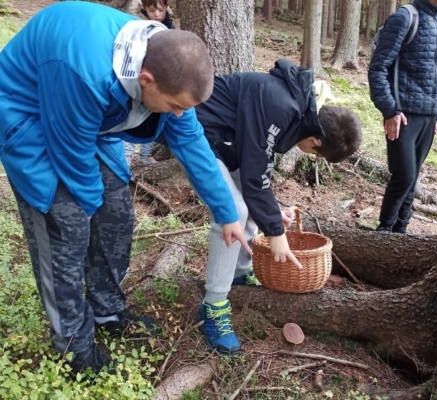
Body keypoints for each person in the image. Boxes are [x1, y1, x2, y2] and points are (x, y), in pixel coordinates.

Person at [0, 1, 250, 375]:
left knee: (116, 213)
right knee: (65, 228)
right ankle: (74, 348)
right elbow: (73, 155)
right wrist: (83, 212)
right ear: (146, 80)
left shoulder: (172, 67)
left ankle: (108, 312)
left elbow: (192, 142)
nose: (179, 114)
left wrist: (227, 213)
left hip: (91, 117)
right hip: (30, 113)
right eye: (174, 106)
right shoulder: (85, 71)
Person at [193, 59, 363, 355]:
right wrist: (275, 233)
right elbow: (255, 175)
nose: (312, 156)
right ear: (315, 140)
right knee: (232, 211)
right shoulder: (281, 107)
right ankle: (213, 307)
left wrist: (274, 209)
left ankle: (238, 273)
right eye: (317, 154)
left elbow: (260, 170)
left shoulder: (294, 110)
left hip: (224, 143)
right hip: (196, 135)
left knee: (249, 203)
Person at [368, 0, 437, 234]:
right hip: (402, 115)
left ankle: (401, 232)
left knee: (412, 178)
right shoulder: (405, 17)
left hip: (430, 115)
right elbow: (378, 68)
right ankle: (384, 232)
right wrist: (390, 110)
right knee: (404, 176)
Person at [123, 0, 176, 167]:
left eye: (161, 10)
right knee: (132, 120)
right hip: (136, 83)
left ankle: (144, 156)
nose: (157, 14)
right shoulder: (135, 25)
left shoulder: (170, 27)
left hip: (161, 84)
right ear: (143, 7)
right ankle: (125, 157)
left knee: (154, 120)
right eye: (152, 10)